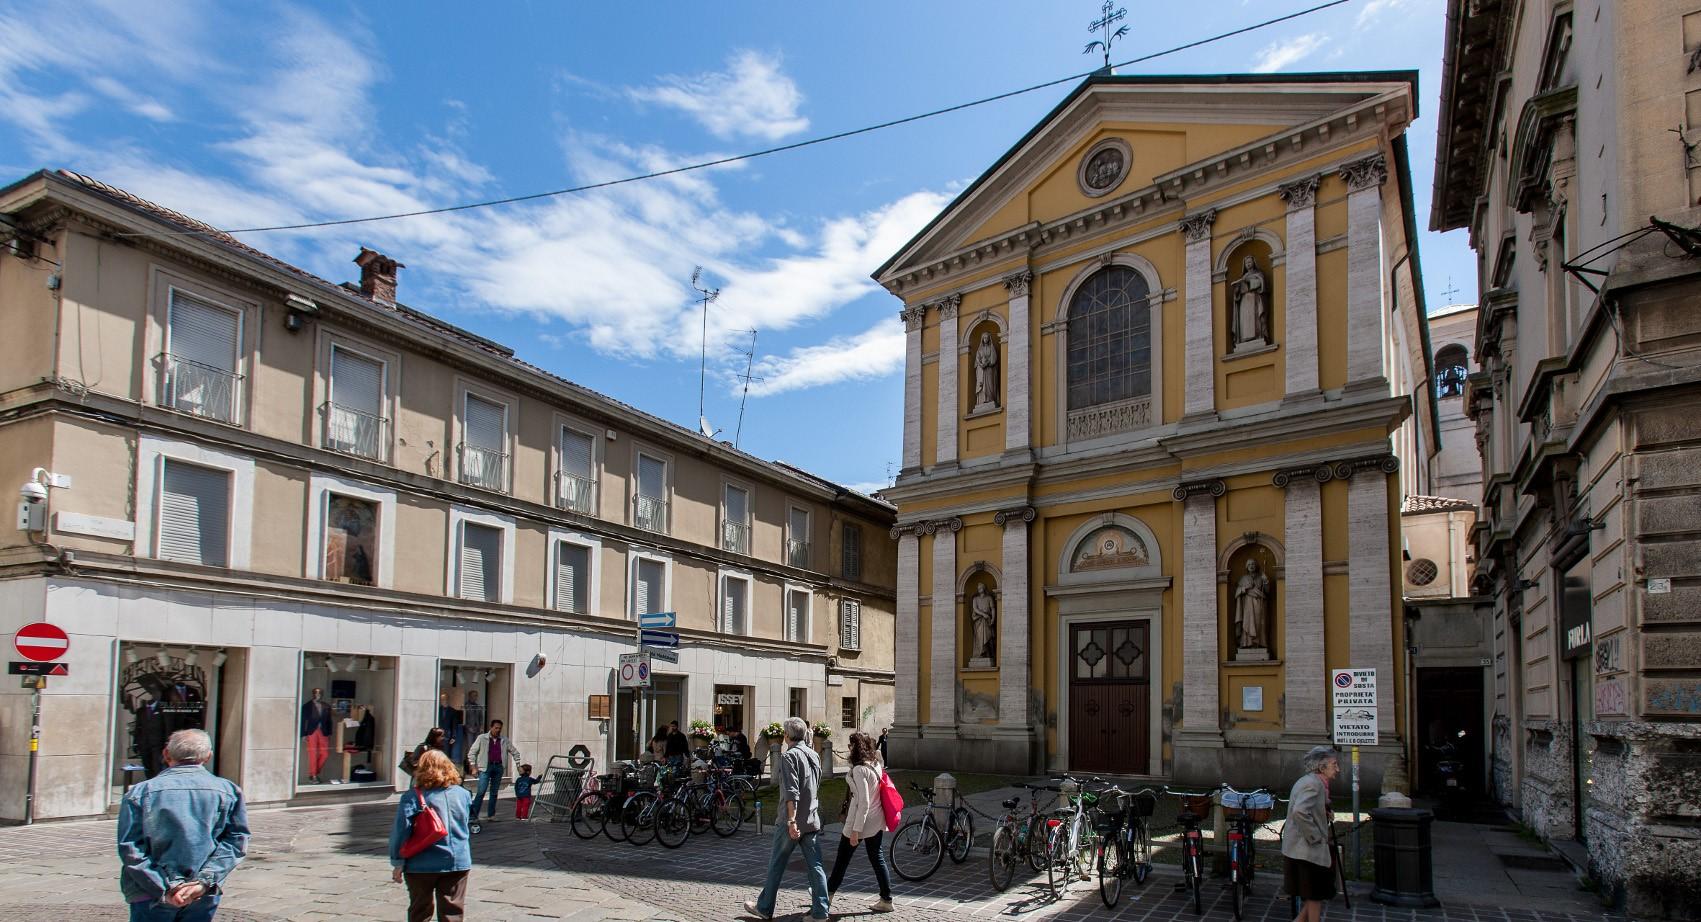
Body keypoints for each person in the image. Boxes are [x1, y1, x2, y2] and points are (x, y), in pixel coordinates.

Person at [117, 728, 249, 922]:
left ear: (166, 754)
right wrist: (203, 882)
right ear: (208, 756)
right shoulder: (228, 791)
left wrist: (164, 886)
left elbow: (130, 848)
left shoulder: (141, 792)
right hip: (201, 893)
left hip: (149, 891)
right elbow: (236, 842)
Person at [744, 717, 829, 921]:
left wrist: (791, 821)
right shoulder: (813, 754)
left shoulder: (789, 756)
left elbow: (791, 792)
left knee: (777, 864)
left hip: (792, 820)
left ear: (786, 736)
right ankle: (820, 911)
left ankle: (764, 908)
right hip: (811, 818)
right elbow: (815, 786)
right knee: (816, 866)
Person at [389, 749, 473, 922]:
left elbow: (401, 831)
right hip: (456, 860)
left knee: (420, 910)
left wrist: (397, 862)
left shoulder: (412, 796)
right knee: (453, 912)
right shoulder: (463, 794)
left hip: (420, 863)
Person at [825, 731, 894, 913]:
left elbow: (863, 802)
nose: (849, 749)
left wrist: (855, 831)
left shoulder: (859, 770)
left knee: (842, 860)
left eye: (851, 745)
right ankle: (886, 899)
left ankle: (826, 898)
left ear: (856, 747)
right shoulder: (875, 764)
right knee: (877, 858)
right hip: (876, 819)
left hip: (861, 820)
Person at [1283, 745, 1341, 922]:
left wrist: (1324, 813)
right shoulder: (1314, 785)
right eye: (1334, 764)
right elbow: (1300, 812)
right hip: (1307, 851)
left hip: (1303, 850)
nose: (1337, 769)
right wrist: (1315, 836)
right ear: (1321, 767)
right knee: (1315, 896)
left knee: (1315, 895)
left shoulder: (1312, 782)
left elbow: (1307, 809)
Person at [468, 719, 522, 829]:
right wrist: (473, 767)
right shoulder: (482, 738)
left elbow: (515, 752)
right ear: (491, 727)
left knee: (494, 792)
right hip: (485, 767)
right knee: (481, 791)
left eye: (499, 728)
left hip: (498, 767)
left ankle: (491, 815)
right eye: (496, 728)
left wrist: (518, 765)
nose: (498, 730)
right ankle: (474, 815)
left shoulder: (504, 740)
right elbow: (472, 753)